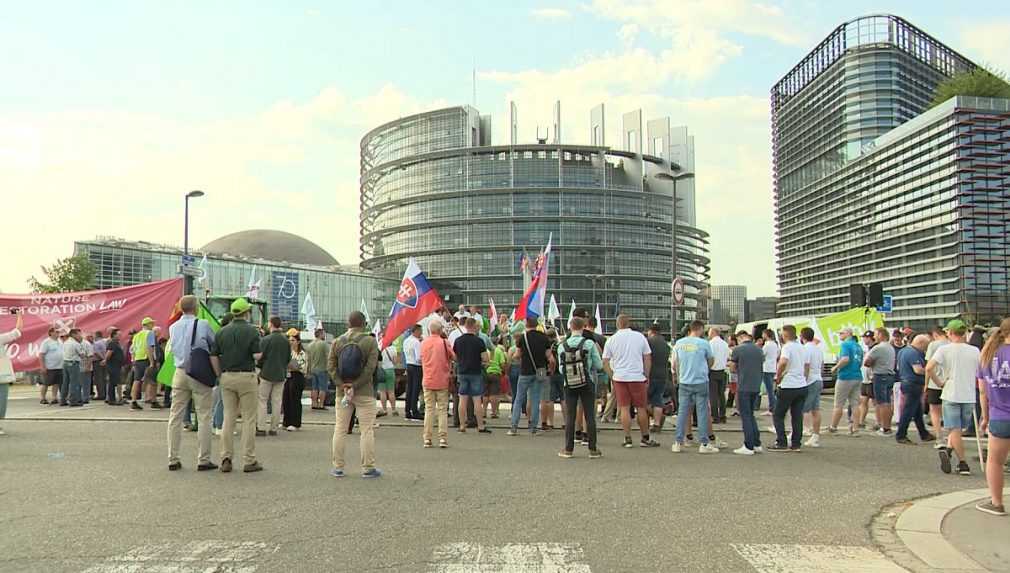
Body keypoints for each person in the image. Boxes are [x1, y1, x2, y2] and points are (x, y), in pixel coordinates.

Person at [166, 295, 218, 472]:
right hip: (198, 372)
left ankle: (173, 458)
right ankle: (203, 459)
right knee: (204, 416)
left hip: (179, 372)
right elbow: (214, 344)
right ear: (196, 308)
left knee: (175, 416)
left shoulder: (173, 327)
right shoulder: (202, 325)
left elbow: (172, 348)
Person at [212, 298, 263, 474]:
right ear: (246, 312)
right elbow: (257, 355)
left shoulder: (221, 332)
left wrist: (219, 374)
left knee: (228, 417)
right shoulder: (252, 331)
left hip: (227, 377)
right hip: (246, 376)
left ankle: (226, 458)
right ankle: (249, 460)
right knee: (249, 418)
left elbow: (214, 355)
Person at [328, 311, 382, 478]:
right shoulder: (370, 342)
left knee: (340, 429)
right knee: (367, 430)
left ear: (347, 324)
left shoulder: (337, 341)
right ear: (364, 324)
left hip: (342, 391)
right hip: (364, 391)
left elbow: (331, 367)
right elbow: (370, 369)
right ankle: (368, 467)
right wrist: (356, 385)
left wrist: (341, 384)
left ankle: (338, 467)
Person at [927, 320, 981, 476]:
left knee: (954, 430)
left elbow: (929, 367)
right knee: (958, 429)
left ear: (950, 333)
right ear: (964, 333)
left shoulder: (944, 350)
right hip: (969, 394)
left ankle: (962, 463)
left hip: (950, 392)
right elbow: (980, 371)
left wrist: (939, 382)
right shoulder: (974, 351)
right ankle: (949, 451)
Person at [603, 315, 654, 448]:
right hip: (637, 377)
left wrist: (612, 375)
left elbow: (605, 361)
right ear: (629, 323)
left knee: (624, 408)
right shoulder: (639, 337)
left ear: (617, 324)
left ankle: (627, 438)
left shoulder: (612, 340)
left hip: (620, 378)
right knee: (641, 408)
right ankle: (645, 437)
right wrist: (646, 374)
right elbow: (647, 358)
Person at [976, 317, 1010, 515]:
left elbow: (983, 392)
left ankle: (996, 503)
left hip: (999, 416)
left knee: (995, 461)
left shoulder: (988, 356)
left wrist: (985, 418)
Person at [557, 317, 603, 459]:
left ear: (570, 327)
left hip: (569, 384)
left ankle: (568, 449)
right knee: (589, 415)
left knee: (571, 415)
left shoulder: (561, 346)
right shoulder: (589, 344)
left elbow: (560, 369)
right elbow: (599, 365)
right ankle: (593, 449)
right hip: (587, 382)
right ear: (583, 327)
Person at [671, 320, 718, 453]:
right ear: (700, 329)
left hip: (684, 382)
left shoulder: (679, 344)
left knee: (682, 412)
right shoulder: (704, 343)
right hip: (700, 381)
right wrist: (704, 369)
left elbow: (674, 364)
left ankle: (678, 442)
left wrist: (678, 376)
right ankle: (704, 443)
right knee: (702, 411)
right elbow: (711, 360)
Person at [509, 318, 554, 436]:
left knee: (519, 398)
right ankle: (533, 427)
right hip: (541, 371)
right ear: (537, 325)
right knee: (536, 399)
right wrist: (551, 369)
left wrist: (514, 357)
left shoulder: (522, 338)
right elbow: (550, 358)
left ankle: (514, 427)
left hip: (525, 371)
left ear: (526, 325)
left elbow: (517, 355)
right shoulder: (544, 338)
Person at [769, 325, 809, 452]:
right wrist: (804, 378)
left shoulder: (787, 347)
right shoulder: (802, 347)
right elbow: (807, 365)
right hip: (801, 384)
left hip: (788, 385)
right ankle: (796, 443)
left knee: (778, 415)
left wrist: (778, 375)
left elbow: (783, 362)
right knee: (797, 415)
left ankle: (781, 442)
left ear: (785, 335)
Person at [895, 334, 935, 445]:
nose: (926, 349)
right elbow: (917, 370)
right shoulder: (913, 353)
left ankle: (924, 433)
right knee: (909, 410)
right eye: (925, 346)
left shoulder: (903, 351)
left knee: (917, 411)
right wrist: (929, 371)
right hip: (913, 383)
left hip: (906, 381)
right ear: (921, 343)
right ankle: (901, 434)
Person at [453, 317, 491, 434]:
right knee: (476, 400)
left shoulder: (458, 340)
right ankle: (480, 426)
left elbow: (454, 357)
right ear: (474, 326)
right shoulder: (479, 341)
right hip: (475, 372)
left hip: (462, 372)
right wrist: (483, 362)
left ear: (465, 326)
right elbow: (485, 358)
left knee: (462, 399)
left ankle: (462, 425)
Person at [420, 320, 453, 448]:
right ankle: (442, 438)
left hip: (428, 379)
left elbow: (420, 358)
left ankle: (427, 438)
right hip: (442, 380)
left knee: (429, 409)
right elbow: (454, 357)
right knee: (442, 410)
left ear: (429, 330)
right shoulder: (444, 342)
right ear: (440, 331)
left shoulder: (423, 343)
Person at [729, 331, 764, 455]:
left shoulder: (738, 349)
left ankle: (748, 445)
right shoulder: (759, 350)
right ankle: (756, 443)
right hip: (756, 385)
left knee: (745, 416)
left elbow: (732, 368)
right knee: (751, 414)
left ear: (740, 338)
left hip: (744, 385)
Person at [257, 317, 290, 437]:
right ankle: (273, 428)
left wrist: (260, 367)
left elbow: (260, 357)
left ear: (271, 325)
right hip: (280, 374)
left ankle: (261, 427)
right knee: (277, 401)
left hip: (266, 373)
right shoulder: (286, 340)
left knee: (262, 400)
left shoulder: (266, 339)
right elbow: (287, 358)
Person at [829, 328, 864, 436]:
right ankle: (855, 428)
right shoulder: (858, 346)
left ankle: (833, 427)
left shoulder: (845, 345)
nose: (840, 335)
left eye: (841, 333)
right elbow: (860, 360)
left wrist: (835, 368)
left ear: (848, 334)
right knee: (855, 404)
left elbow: (845, 359)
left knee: (838, 404)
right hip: (857, 375)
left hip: (845, 376)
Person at [925, 326, 949, 448]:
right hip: (949, 382)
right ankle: (951, 438)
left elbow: (928, 367)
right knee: (948, 410)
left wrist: (925, 384)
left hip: (934, 383)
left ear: (935, 334)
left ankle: (939, 437)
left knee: (934, 411)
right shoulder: (952, 344)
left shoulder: (933, 345)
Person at [0, 312, 23, 435]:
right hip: (2, 376)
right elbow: (18, 331)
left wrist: (19, 316)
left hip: (2, 376)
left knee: (1, 401)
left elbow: (17, 331)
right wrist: (19, 315)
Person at [800, 327, 824, 447]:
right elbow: (822, 365)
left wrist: (803, 380)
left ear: (802, 336)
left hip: (810, 381)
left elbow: (806, 366)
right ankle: (815, 436)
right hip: (818, 379)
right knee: (815, 409)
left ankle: (799, 431)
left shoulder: (806, 349)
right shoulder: (818, 349)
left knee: (802, 408)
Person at [130, 317, 160, 410]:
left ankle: (133, 401)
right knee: (153, 381)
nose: (153, 325)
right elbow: (149, 347)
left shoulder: (136, 335)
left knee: (137, 380)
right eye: (151, 323)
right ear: (147, 325)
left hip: (138, 358)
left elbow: (132, 350)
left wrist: (133, 360)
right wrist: (152, 361)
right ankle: (153, 401)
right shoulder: (150, 333)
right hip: (147, 358)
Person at [646, 324, 671, 435]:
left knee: (644, 401)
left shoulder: (648, 342)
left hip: (650, 374)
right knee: (658, 400)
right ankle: (656, 424)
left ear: (651, 331)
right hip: (662, 375)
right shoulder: (666, 344)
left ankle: (649, 423)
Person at [283, 329, 307, 431]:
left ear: (298, 342)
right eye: (290, 340)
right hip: (288, 376)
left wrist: (294, 366)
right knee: (286, 398)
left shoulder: (302, 353)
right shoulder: (288, 352)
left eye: (293, 340)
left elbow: (303, 366)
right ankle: (286, 421)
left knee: (295, 399)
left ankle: (295, 423)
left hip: (298, 376)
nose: (291, 342)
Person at [708, 328, 730, 424]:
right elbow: (728, 356)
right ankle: (722, 415)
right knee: (721, 395)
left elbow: (709, 357)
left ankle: (714, 416)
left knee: (713, 395)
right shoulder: (725, 344)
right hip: (723, 371)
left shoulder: (710, 344)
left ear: (713, 333)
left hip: (712, 371)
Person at [403, 325, 424, 421]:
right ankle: (414, 410)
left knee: (409, 388)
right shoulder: (416, 342)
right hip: (416, 366)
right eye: (420, 331)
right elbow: (419, 357)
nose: (421, 333)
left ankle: (407, 410)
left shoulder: (406, 341)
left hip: (409, 364)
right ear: (416, 331)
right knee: (416, 389)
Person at [306, 328, 330, 411]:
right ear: (320, 334)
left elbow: (308, 359)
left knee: (314, 388)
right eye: (323, 334)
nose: (324, 335)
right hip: (322, 369)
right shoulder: (324, 344)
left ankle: (314, 403)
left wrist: (308, 370)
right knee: (323, 388)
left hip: (313, 369)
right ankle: (321, 404)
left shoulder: (310, 345)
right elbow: (329, 357)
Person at [856, 330, 876, 429]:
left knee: (875, 402)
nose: (863, 339)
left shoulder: (875, 348)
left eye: (864, 337)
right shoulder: (866, 349)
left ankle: (879, 422)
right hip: (864, 378)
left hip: (872, 379)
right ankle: (861, 421)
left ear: (869, 338)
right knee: (863, 400)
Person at [484, 336, 507, 419]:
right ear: (497, 343)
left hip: (486, 372)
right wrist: (503, 371)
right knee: (494, 394)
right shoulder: (499, 351)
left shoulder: (486, 350)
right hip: (496, 373)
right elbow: (502, 364)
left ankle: (484, 412)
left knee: (485, 394)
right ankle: (494, 412)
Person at [38, 327, 63, 405]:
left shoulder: (60, 341)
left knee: (56, 383)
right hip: (49, 367)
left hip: (59, 366)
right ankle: (42, 398)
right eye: (56, 332)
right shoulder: (46, 342)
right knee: (45, 383)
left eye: (59, 332)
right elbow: (41, 354)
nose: (58, 333)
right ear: (51, 333)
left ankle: (54, 398)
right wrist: (43, 366)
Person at [62, 329, 87, 407]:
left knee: (65, 382)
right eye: (79, 334)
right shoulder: (76, 344)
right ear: (73, 335)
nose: (80, 336)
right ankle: (73, 401)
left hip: (65, 363)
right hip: (73, 364)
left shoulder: (65, 342)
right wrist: (81, 344)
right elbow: (82, 355)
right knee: (74, 383)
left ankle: (63, 400)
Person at [759, 329, 779, 415]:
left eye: (763, 334)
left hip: (766, 368)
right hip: (773, 368)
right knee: (771, 388)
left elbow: (761, 356)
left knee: (769, 390)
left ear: (766, 335)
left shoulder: (767, 345)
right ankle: (773, 406)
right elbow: (778, 355)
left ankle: (772, 408)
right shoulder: (775, 344)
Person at [104, 329, 125, 405]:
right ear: (114, 335)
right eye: (118, 334)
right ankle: (113, 399)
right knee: (114, 382)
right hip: (113, 366)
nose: (120, 336)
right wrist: (105, 360)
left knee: (115, 382)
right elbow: (109, 353)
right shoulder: (112, 343)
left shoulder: (117, 343)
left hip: (117, 365)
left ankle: (117, 398)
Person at [378, 342, 399, 417]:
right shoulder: (393, 348)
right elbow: (395, 362)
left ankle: (384, 410)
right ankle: (393, 410)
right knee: (391, 391)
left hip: (381, 371)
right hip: (390, 370)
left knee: (382, 392)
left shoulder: (380, 347)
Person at [92, 331, 108, 402]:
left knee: (98, 378)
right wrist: (106, 359)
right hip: (106, 361)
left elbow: (96, 352)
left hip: (98, 361)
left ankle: (101, 394)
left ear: (96, 335)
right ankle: (105, 393)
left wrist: (102, 358)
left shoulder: (96, 343)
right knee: (104, 378)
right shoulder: (106, 341)